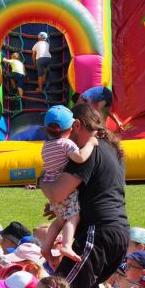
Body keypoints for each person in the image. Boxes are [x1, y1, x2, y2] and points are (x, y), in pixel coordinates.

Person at [41, 102, 130, 288]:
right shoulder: (112, 150)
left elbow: (56, 193)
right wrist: (62, 206)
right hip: (118, 233)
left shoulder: (86, 151)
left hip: (97, 233)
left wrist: (41, 180)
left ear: (77, 125)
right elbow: (98, 189)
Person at [39, 105, 97, 262]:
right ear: (71, 128)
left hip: (50, 186)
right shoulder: (66, 144)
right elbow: (80, 158)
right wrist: (91, 143)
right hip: (65, 190)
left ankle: (45, 246)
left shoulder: (45, 146)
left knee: (59, 220)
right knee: (73, 217)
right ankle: (66, 245)